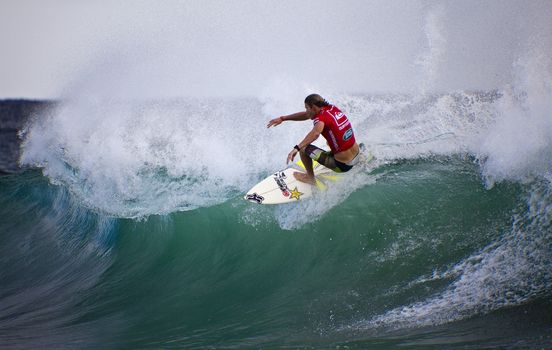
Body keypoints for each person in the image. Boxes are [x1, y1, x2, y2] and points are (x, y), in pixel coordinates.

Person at [267, 94, 361, 185]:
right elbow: (306, 115)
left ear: (314, 108)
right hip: (357, 155)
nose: (306, 111)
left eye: (307, 108)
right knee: (331, 138)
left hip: (342, 166)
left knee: (303, 149)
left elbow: (315, 133)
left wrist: (297, 148)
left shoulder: (321, 118)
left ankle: (310, 179)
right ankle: (359, 159)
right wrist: (283, 118)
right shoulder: (332, 108)